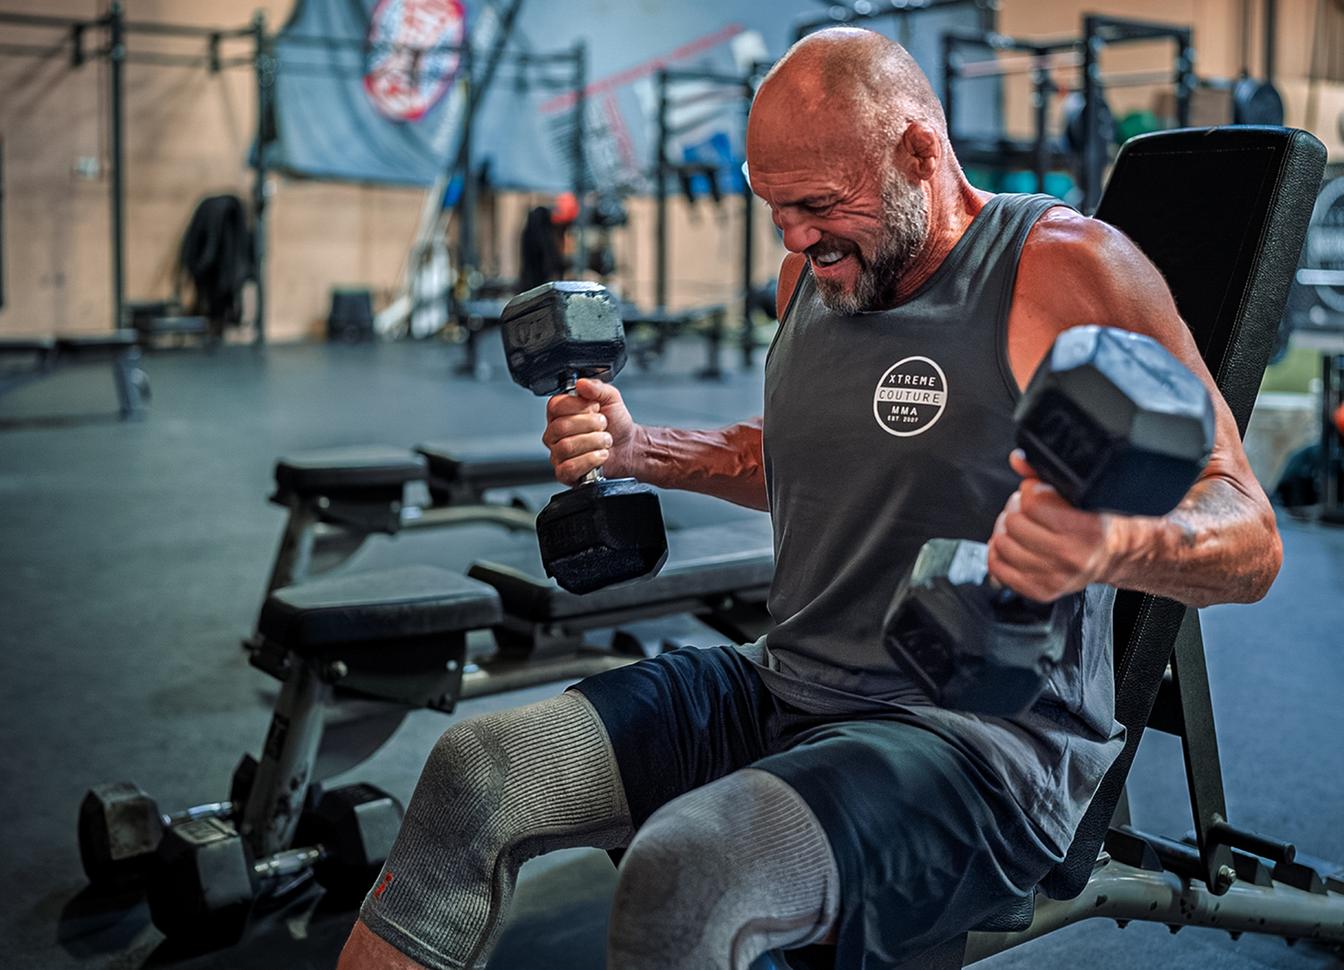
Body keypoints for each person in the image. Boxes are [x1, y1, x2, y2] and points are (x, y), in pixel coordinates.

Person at [339, 28, 1281, 970]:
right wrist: (641, 447)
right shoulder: (815, 275)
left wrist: (1106, 544)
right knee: (478, 774)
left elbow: (1247, 535)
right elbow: (799, 457)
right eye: (774, 208)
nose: (791, 239)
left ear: (920, 151)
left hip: (979, 745)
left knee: (689, 875)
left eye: (819, 205)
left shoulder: (1065, 270)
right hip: (784, 682)